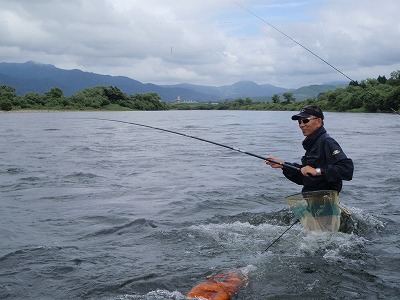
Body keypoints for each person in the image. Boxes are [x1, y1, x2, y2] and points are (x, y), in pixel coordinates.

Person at [266, 105, 354, 193]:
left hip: (325, 201)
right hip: (311, 199)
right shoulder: (312, 143)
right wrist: (283, 165)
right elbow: (305, 176)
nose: (301, 125)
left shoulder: (327, 141)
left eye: (305, 120)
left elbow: (347, 169)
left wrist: (318, 171)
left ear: (319, 121)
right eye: (299, 122)